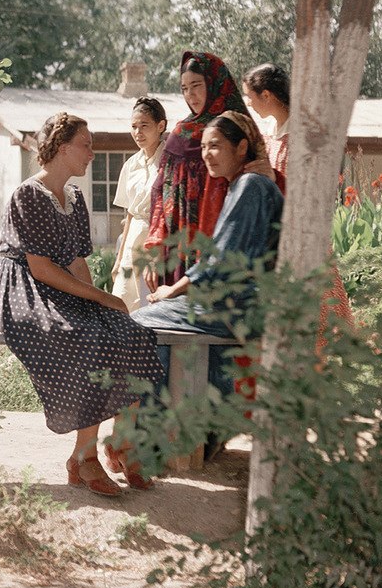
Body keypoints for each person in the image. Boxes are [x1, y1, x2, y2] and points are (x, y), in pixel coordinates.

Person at [0, 112, 165, 497]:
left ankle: (122, 443)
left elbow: (75, 263)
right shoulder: (28, 194)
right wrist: (101, 297)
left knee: (131, 334)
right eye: (86, 145)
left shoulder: (74, 196)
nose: (92, 153)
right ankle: (83, 458)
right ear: (64, 147)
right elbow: (41, 268)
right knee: (88, 340)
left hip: (60, 284)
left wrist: (100, 306)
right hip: (23, 286)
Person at [133, 112, 284, 397]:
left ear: (241, 147)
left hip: (238, 306)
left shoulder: (250, 185)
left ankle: (160, 426)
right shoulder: (245, 185)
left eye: (214, 145)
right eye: (202, 147)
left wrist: (172, 290)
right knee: (157, 325)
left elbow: (220, 260)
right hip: (244, 303)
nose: (206, 155)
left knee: (137, 323)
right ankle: (201, 429)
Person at [242, 62, 355, 346]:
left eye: (250, 96)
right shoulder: (268, 134)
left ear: (266, 95)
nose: (249, 103)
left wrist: (273, 176)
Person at [145, 52, 251, 288]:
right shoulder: (180, 133)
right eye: (184, 88)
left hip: (223, 246)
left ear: (214, 84)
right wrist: (155, 248)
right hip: (177, 248)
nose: (190, 95)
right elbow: (159, 192)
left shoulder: (239, 130)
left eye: (196, 85)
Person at [110, 97, 167, 312]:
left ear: (160, 126)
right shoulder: (131, 165)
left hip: (157, 238)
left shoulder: (170, 161)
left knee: (148, 302)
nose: (138, 132)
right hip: (133, 238)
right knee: (122, 300)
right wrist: (119, 257)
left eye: (144, 126)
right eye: (134, 127)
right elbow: (130, 214)